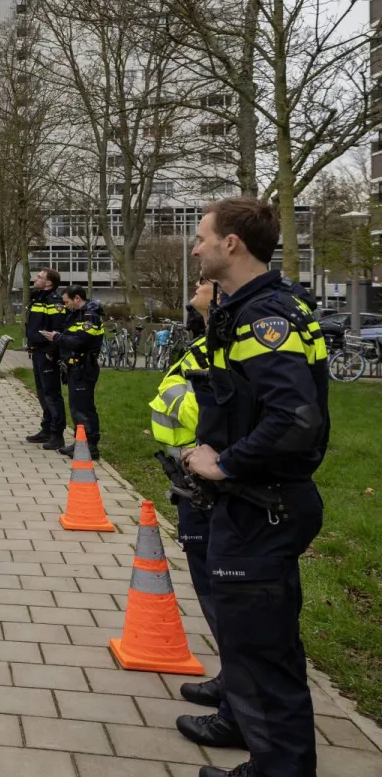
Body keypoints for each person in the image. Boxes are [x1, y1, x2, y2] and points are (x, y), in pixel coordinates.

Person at [184, 197, 328, 777]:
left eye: (201, 236)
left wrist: (226, 464)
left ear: (231, 244)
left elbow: (295, 419)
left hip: (262, 504)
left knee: (265, 653)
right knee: (254, 644)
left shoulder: (264, 317)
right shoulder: (249, 308)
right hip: (253, 504)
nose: (195, 247)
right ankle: (256, 744)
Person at [151, 280, 238, 748]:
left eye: (203, 284)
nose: (195, 284)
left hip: (213, 477)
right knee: (211, 590)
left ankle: (240, 712)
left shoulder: (230, 342)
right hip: (193, 477)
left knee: (227, 596)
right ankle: (232, 684)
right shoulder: (209, 340)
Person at [42, 285, 102, 459]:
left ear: (77, 298)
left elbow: (81, 341)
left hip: (84, 367)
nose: (65, 305)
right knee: (76, 408)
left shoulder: (90, 316)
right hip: (76, 367)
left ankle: (90, 446)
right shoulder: (77, 315)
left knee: (83, 408)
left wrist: (57, 338)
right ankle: (80, 442)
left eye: (67, 301)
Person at [24, 268, 68, 451]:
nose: (36, 278)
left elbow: (57, 329)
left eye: (40, 277)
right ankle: (46, 429)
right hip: (37, 352)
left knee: (51, 394)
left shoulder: (54, 302)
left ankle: (57, 434)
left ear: (49, 282)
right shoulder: (38, 298)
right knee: (42, 394)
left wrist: (52, 351)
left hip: (47, 354)